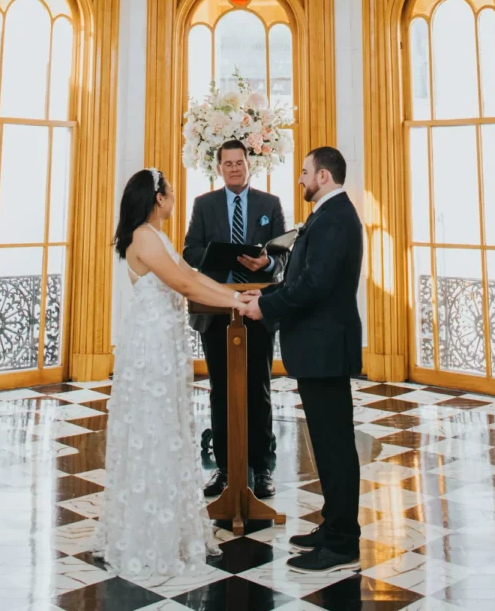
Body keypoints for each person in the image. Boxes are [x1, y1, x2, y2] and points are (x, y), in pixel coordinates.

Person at [99, 167, 244, 583]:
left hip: (165, 340)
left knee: (169, 426)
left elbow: (195, 277)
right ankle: (149, 536)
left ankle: (169, 527)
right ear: (156, 198)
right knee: (153, 426)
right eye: (171, 193)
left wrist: (237, 297)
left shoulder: (155, 235)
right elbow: (184, 284)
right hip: (150, 345)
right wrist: (239, 302)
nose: (175, 198)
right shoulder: (144, 237)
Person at [242, 146, 362, 573]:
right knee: (328, 446)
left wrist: (265, 307)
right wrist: (267, 293)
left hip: (326, 348)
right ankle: (333, 527)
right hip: (319, 347)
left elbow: (314, 286)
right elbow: (302, 277)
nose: (300, 179)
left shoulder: (335, 218)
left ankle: (343, 542)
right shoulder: (328, 214)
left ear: (324, 176)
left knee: (335, 447)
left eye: (305, 172)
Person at [183, 139, 284, 500]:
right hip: (215, 311)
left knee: (258, 388)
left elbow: (282, 257)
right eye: (227, 164)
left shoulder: (269, 204)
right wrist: (222, 258)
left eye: (239, 163)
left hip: (258, 309)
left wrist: (266, 264)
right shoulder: (203, 205)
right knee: (221, 390)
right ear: (219, 168)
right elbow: (189, 249)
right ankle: (224, 469)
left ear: (248, 165)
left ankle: (262, 468)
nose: (234, 169)